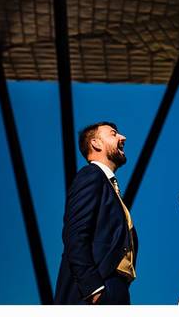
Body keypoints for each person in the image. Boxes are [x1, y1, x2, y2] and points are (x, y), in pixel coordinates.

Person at [54, 121, 139, 305]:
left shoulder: (111, 189)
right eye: (113, 133)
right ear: (96, 144)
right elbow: (75, 234)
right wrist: (94, 289)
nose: (122, 137)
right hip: (96, 291)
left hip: (117, 288)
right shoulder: (91, 175)